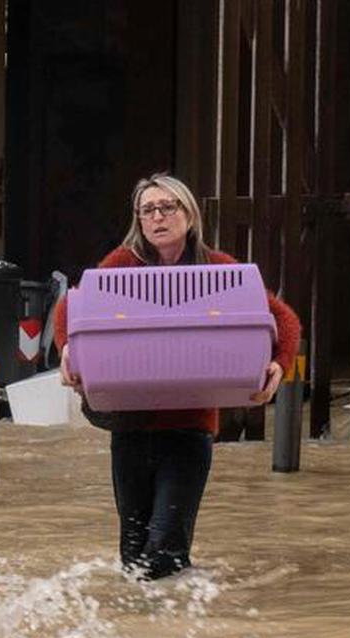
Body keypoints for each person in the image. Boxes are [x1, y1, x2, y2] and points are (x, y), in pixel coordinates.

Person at [53, 173, 301, 580]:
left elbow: (283, 317)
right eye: (148, 210)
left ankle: (180, 626)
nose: (158, 217)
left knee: (165, 547)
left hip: (189, 429)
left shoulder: (217, 267)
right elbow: (71, 306)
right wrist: (66, 347)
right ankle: (150, 631)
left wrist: (280, 363)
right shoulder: (122, 263)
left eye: (168, 207)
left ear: (189, 215)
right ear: (138, 219)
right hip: (130, 428)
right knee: (133, 554)